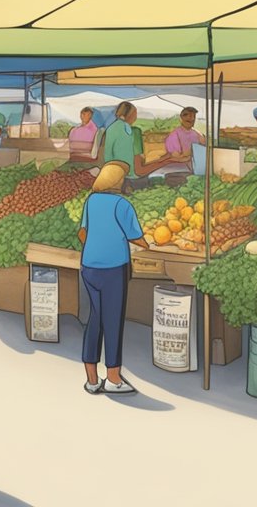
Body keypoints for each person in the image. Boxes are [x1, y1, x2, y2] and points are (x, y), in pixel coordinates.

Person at [78, 161, 147, 394]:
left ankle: (91, 380)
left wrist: (96, 245)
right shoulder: (122, 204)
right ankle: (113, 379)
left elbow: (82, 233)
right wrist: (151, 245)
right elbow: (136, 237)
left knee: (95, 318)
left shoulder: (91, 201)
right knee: (113, 321)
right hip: (113, 269)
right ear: (118, 182)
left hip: (89, 267)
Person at [99, 102, 176, 178]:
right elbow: (138, 170)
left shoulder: (110, 129)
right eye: (135, 114)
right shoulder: (134, 131)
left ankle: (164, 159)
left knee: (162, 160)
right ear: (131, 114)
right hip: (130, 174)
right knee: (168, 162)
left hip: (112, 172)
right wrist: (165, 161)